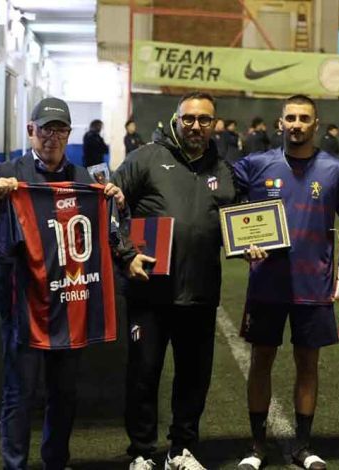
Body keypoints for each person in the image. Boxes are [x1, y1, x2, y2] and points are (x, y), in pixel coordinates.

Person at [0, 97, 137, 470]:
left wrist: (118, 204)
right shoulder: (7, 172)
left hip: (70, 300)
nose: (52, 137)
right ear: (31, 130)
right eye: (46, 129)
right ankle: (14, 465)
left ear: (68, 134)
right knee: (19, 392)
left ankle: (56, 461)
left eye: (60, 130)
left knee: (64, 392)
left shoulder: (86, 179)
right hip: (22, 303)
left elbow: (112, 229)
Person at [234, 94, 339, 470]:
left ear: (316, 124)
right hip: (266, 284)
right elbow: (225, 199)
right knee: (261, 361)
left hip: (314, 285)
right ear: (280, 123)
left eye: (304, 118)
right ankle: (256, 446)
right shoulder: (254, 165)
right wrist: (241, 237)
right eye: (291, 118)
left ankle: (303, 445)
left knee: (308, 364)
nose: (296, 124)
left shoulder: (335, 169)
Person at [112, 91, 237, 470]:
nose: (196, 126)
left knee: (193, 379)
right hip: (150, 293)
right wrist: (126, 254)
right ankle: (141, 452)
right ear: (176, 120)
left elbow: (236, 223)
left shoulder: (224, 170)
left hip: (200, 294)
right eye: (189, 119)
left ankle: (180, 450)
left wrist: (252, 244)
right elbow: (109, 205)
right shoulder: (145, 158)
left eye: (204, 120)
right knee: (143, 375)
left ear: (214, 124)